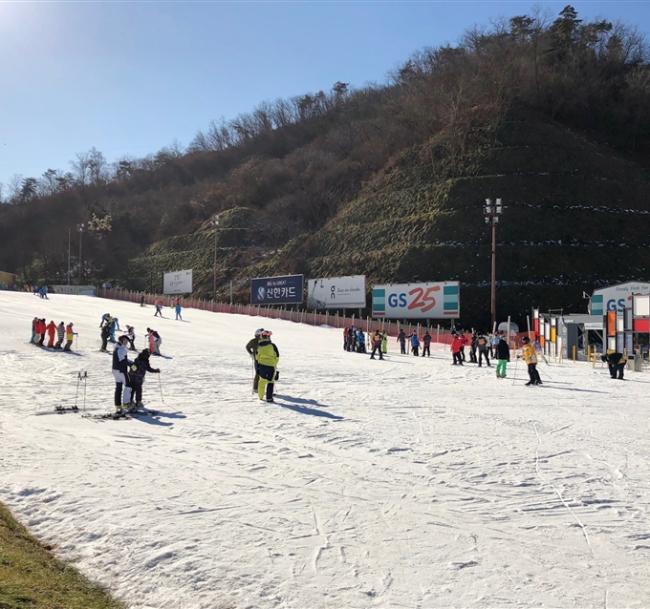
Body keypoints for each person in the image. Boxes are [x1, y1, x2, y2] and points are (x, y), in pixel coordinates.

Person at [255, 330, 279, 402]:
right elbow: (277, 356)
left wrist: (260, 362)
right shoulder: (273, 346)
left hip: (261, 365)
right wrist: (274, 363)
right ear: (269, 337)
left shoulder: (259, 346)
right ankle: (269, 398)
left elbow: (256, 357)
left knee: (262, 381)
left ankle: (260, 397)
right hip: (271, 366)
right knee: (270, 381)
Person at [112, 335, 132, 412]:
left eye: (127, 341)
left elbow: (124, 360)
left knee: (119, 387)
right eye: (125, 341)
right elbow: (123, 361)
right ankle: (126, 404)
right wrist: (132, 365)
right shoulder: (120, 349)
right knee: (128, 386)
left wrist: (131, 363)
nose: (126, 343)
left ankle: (118, 405)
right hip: (121, 371)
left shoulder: (118, 348)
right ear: (122, 340)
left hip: (116, 370)